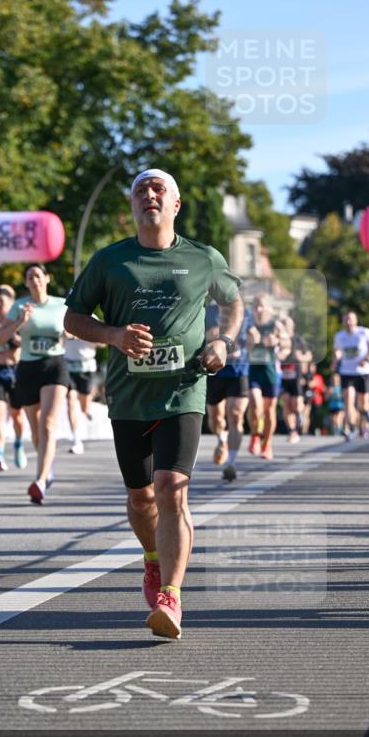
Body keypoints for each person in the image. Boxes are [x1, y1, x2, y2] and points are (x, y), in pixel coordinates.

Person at [64, 168, 243, 641]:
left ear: (175, 204)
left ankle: (171, 595)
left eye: (159, 188)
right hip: (128, 395)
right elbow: (73, 317)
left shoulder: (203, 258)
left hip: (184, 389)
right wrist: (113, 335)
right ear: (133, 204)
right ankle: (151, 559)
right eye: (141, 189)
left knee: (171, 488)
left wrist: (222, 341)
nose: (149, 195)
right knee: (142, 498)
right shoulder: (110, 262)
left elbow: (234, 302)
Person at [0, 263, 68, 504]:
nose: (34, 279)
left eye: (38, 275)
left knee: (48, 423)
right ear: (26, 283)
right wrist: (19, 323)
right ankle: (47, 470)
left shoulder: (61, 304)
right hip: (27, 369)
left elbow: (80, 325)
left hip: (54, 366)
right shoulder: (19, 306)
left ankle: (40, 479)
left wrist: (73, 332)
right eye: (29, 277)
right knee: (36, 430)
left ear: (47, 278)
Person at [205, 302, 250, 481]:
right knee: (216, 418)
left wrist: (256, 339)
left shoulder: (245, 311)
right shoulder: (209, 311)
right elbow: (208, 335)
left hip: (239, 371)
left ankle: (231, 462)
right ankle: (221, 439)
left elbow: (253, 336)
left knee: (236, 415)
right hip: (215, 369)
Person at [0, 284, 27, 472]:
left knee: (17, 415)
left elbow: (28, 345)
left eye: (2, 301)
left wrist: (20, 340)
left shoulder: (20, 322)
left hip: (16, 371)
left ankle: (18, 444)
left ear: (11, 302)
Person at [246, 294, 289, 460]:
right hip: (253, 371)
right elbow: (238, 345)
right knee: (255, 404)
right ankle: (255, 435)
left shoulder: (276, 325)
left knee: (269, 410)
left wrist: (277, 342)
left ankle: (267, 444)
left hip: (271, 372)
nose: (258, 309)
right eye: (256, 305)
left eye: (262, 306)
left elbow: (287, 346)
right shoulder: (248, 325)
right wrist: (249, 341)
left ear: (270, 308)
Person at [331, 311, 369, 440]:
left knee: (363, 404)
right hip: (346, 372)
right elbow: (338, 351)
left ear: (356, 320)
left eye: (351, 319)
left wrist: (368, 359)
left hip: (362, 372)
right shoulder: (339, 336)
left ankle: (368, 416)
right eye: (346, 319)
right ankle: (351, 428)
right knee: (348, 401)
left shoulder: (364, 332)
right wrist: (335, 361)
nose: (348, 321)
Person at [64, 328, 102, 455]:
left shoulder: (93, 319)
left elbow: (103, 343)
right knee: (71, 401)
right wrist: (63, 335)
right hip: (68, 366)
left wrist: (84, 334)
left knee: (84, 407)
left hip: (87, 367)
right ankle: (76, 440)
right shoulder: (64, 318)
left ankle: (87, 410)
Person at [278, 315, 312, 445]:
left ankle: (300, 416)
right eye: (282, 323)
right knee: (286, 403)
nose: (284, 326)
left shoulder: (298, 340)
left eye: (286, 324)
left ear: (292, 327)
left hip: (296, 377)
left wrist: (301, 358)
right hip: (283, 377)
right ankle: (292, 431)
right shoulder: (278, 339)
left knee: (296, 404)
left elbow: (308, 355)